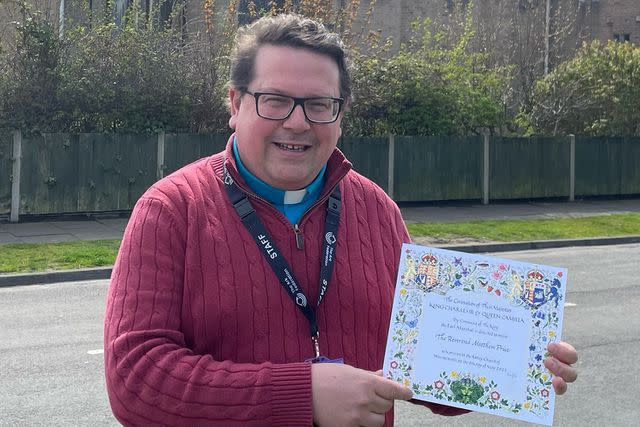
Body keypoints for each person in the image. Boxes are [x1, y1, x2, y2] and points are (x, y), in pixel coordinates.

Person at [104, 13, 578, 427]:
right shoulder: (170, 210)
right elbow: (135, 379)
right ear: (235, 104)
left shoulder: (378, 211)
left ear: (340, 113)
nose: (296, 122)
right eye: (274, 99)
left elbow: (421, 366)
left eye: (318, 105)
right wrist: (301, 394)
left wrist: (519, 360)